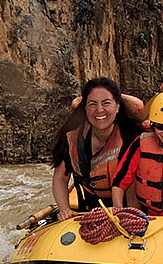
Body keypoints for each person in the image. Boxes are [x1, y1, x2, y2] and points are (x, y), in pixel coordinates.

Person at [50, 77, 144, 220]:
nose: (99, 110)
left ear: (117, 107)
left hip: (127, 204)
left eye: (106, 103)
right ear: (85, 108)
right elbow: (60, 177)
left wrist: (131, 217)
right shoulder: (72, 135)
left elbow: (133, 188)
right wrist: (64, 210)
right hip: (91, 207)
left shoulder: (131, 136)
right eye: (92, 104)